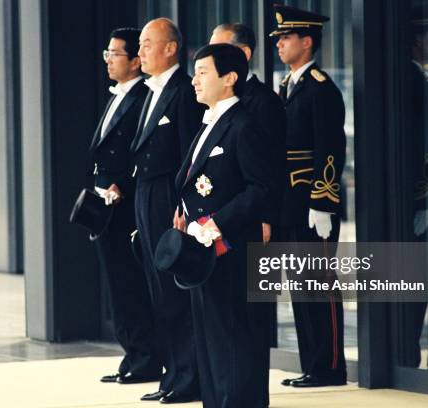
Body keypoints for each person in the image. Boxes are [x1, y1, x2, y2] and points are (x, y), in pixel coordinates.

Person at [173, 42, 272, 408]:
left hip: (231, 249)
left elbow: (260, 189)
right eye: (195, 72)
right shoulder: (209, 121)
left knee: (234, 337)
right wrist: (183, 212)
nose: (195, 81)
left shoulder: (243, 125)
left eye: (203, 73)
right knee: (209, 337)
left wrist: (217, 221)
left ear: (229, 78)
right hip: (202, 250)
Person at [127, 17, 204, 404]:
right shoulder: (149, 91)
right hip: (145, 193)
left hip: (168, 199)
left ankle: (189, 377)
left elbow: (190, 156)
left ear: (170, 48)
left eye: (146, 43)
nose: (139, 51)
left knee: (175, 291)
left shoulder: (184, 91)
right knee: (157, 290)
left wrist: (184, 208)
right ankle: (172, 374)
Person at [271, 5, 347, 387]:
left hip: (311, 202)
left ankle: (330, 366)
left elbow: (330, 149)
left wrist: (324, 201)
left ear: (307, 41)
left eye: (286, 38)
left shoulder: (320, 88)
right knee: (300, 288)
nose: (280, 44)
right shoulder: (288, 85)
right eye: (279, 39)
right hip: (289, 203)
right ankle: (312, 365)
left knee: (319, 286)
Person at [209, 23, 285, 403]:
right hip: (225, 222)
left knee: (249, 318)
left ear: (241, 57)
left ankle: (249, 395)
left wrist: (267, 218)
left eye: (217, 52)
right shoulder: (216, 106)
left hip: (252, 223)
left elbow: (268, 169)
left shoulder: (260, 101)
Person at [88, 27, 161, 385]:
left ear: (135, 61)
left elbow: (145, 155)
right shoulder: (117, 95)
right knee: (116, 285)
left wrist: (124, 187)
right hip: (106, 205)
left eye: (115, 53)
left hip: (128, 205)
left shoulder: (145, 97)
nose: (108, 59)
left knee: (132, 284)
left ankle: (146, 357)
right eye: (108, 52)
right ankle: (131, 354)